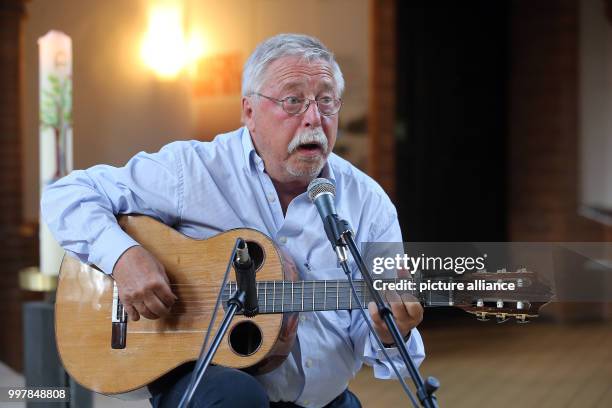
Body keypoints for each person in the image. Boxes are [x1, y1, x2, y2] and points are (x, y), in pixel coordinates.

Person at [41, 33, 425, 408]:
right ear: (249, 112)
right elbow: (66, 193)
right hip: (207, 383)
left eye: (326, 101)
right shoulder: (192, 170)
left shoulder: (369, 203)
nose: (313, 118)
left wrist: (392, 331)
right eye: (293, 101)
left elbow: (379, 348)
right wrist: (123, 257)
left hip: (323, 399)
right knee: (238, 396)